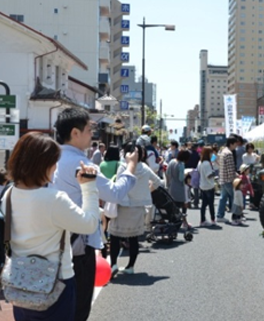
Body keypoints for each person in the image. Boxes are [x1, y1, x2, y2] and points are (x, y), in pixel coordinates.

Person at [3, 132, 100, 321]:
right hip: (56, 282)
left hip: (19, 281)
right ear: (43, 165)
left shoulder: (8, 195)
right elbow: (89, 224)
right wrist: (88, 186)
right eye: (54, 162)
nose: (56, 167)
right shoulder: (55, 199)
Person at [52, 107, 138, 321]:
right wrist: (131, 167)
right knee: (78, 308)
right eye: (89, 130)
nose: (93, 135)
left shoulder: (51, 160)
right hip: (78, 245)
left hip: (52, 241)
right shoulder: (82, 164)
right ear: (75, 133)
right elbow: (115, 193)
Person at [109, 142, 163, 277]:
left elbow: (119, 186)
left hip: (123, 206)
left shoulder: (123, 167)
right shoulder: (145, 168)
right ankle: (130, 266)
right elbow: (159, 182)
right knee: (134, 239)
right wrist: (146, 192)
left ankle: (113, 264)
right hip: (139, 207)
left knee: (115, 237)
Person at [166, 149, 192, 229]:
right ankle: (184, 222)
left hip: (172, 186)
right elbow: (181, 178)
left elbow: (167, 173)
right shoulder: (181, 165)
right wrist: (186, 174)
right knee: (183, 205)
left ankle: (173, 222)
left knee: (173, 207)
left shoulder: (172, 161)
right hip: (180, 188)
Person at [216, 136, 238, 223]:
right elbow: (230, 169)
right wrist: (234, 179)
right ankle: (235, 216)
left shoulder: (223, 152)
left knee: (223, 198)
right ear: (231, 144)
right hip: (228, 180)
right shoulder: (229, 153)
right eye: (235, 144)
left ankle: (220, 215)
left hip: (222, 179)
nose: (236, 146)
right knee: (234, 198)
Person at [197, 146, 216, 227]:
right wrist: (214, 173)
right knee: (211, 204)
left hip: (202, 185)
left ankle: (202, 220)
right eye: (211, 153)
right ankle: (213, 219)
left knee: (204, 205)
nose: (212, 154)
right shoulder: (207, 163)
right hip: (209, 186)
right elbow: (209, 175)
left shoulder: (200, 162)